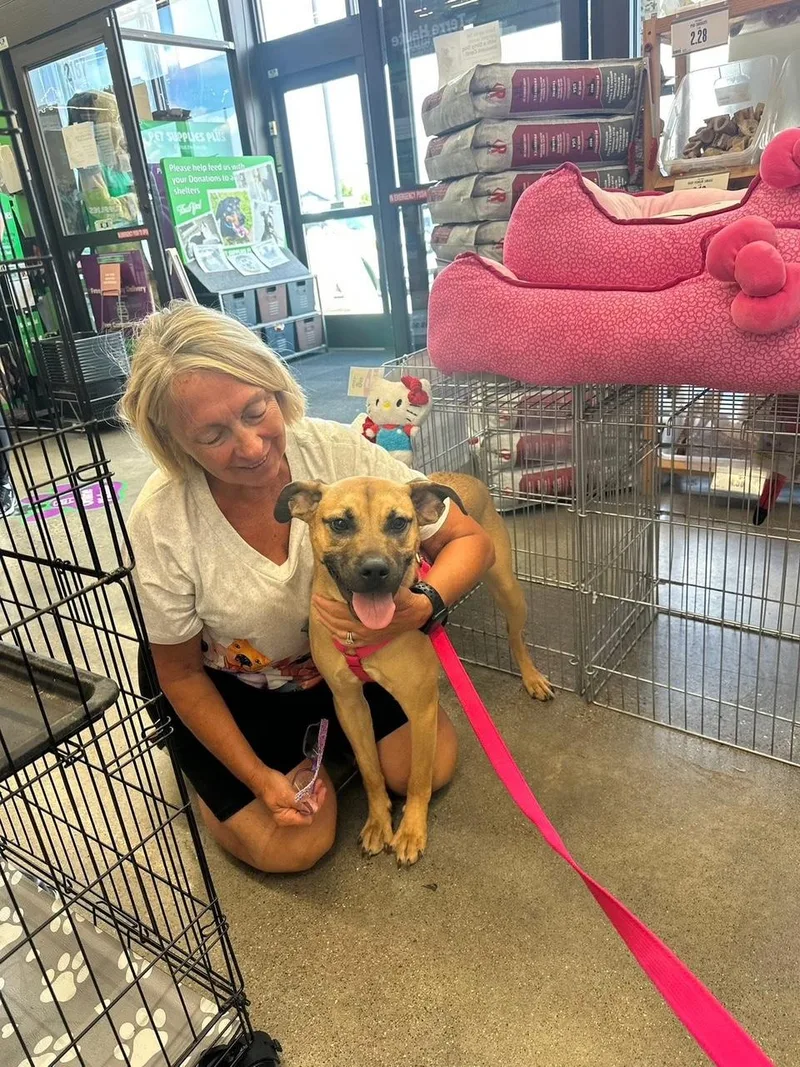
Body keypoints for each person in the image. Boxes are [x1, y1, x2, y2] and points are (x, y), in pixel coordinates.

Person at [120, 303, 494, 874]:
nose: (250, 448)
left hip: (342, 660)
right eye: (213, 434)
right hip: (234, 683)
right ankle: (220, 770)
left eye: (255, 410)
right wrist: (257, 779)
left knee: (430, 770)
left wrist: (423, 605)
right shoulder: (164, 518)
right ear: (174, 441)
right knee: (293, 847)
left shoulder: (338, 454)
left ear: (277, 388)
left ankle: (332, 743)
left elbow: (471, 541)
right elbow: (180, 672)